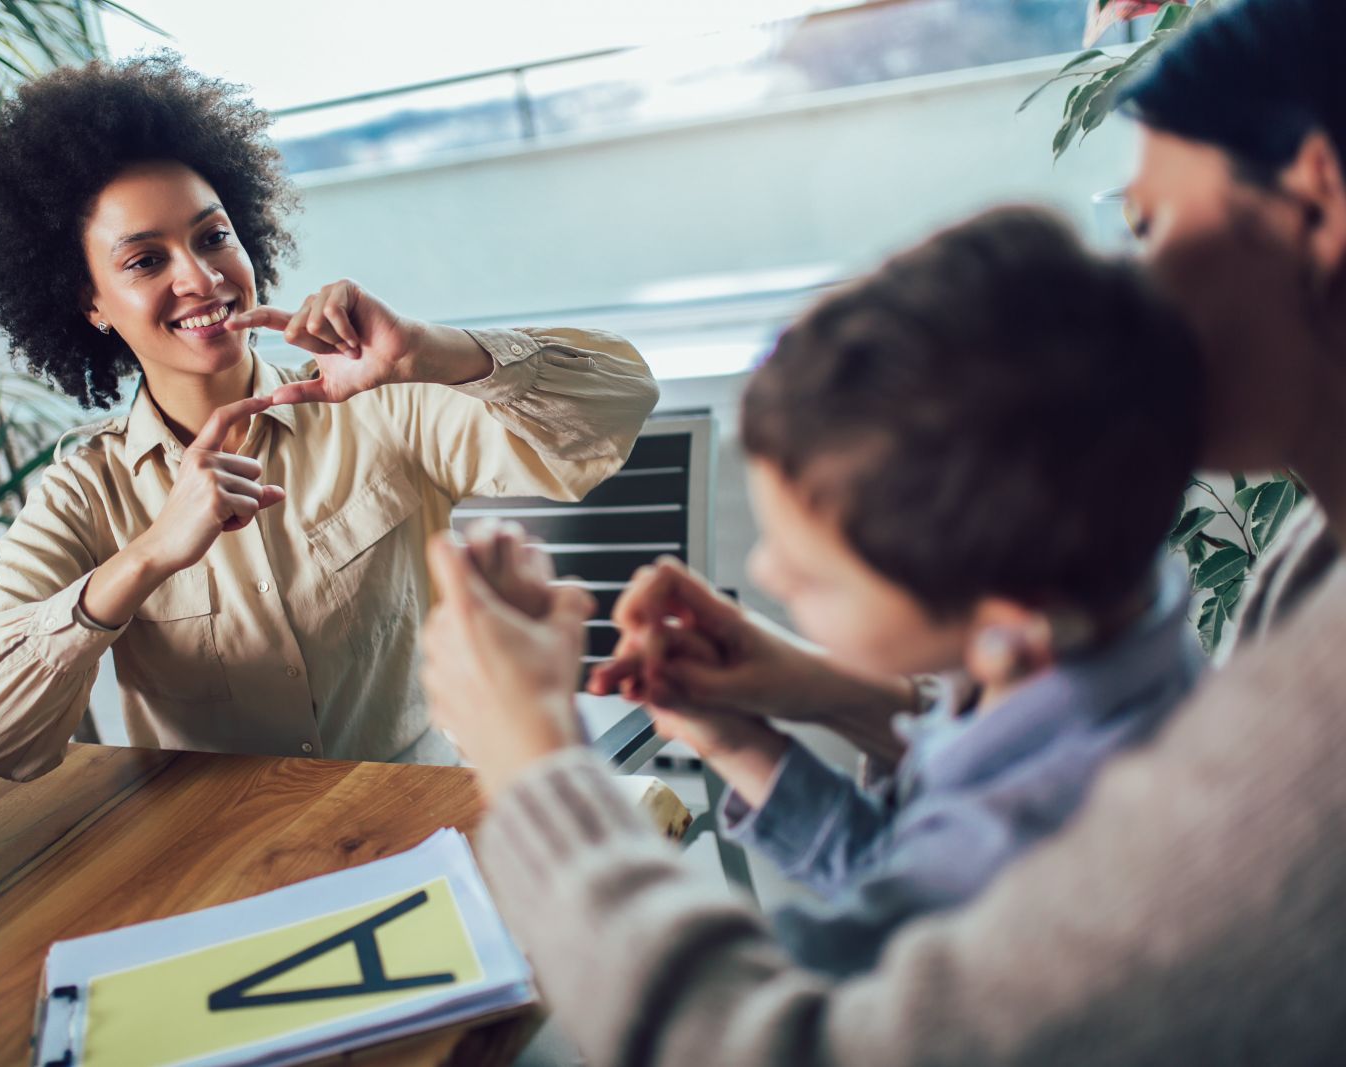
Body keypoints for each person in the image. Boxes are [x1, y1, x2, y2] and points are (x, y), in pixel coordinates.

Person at [419, 0, 1346, 1061]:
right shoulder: (1292, 566)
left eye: (1148, 225)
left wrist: (535, 763)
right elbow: (993, 892)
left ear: (1316, 204)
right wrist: (804, 704)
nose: (1124, 296)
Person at [0, 53, 658, 781]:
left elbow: (619, 402)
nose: (202, 278)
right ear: (89, 303)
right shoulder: (85, 494)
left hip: (411, 816)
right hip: (220, 859)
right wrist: (145, 558)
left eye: (213, 237)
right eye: (145, 261)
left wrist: (431, 352)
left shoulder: (377, 403)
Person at [567, 207, 1205, 979]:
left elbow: (784, 1017)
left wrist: (536, 760)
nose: (766, 574)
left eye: (814, 574)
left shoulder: (1031, 841)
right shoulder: (1111, 633)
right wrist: (742, 737)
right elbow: (899, 872)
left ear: (1005, 623)